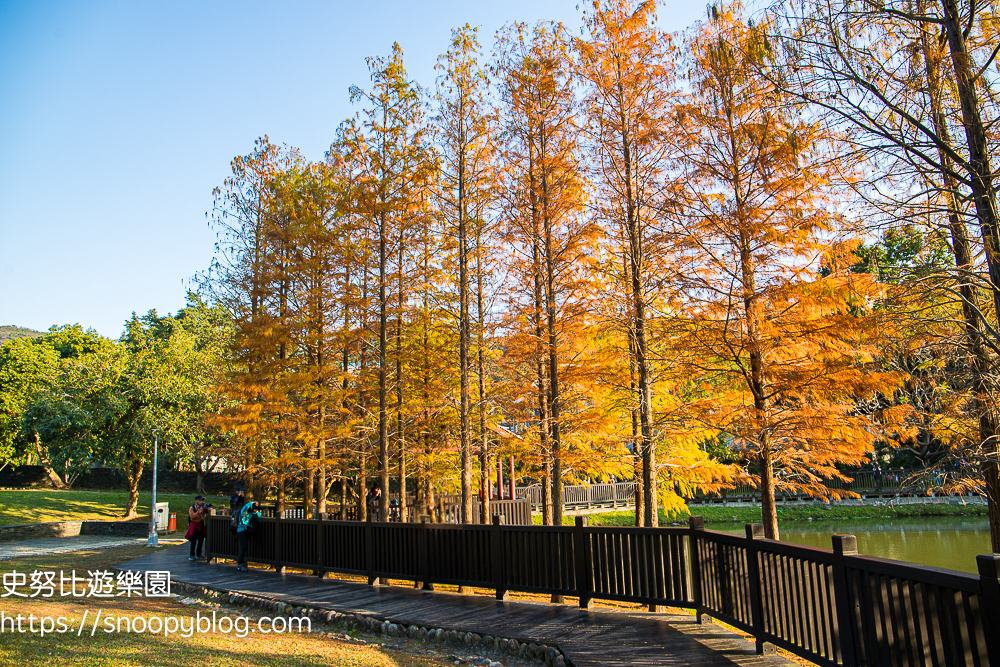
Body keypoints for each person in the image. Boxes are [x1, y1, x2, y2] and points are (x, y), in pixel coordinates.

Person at [235, 499, 261, 572]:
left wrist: (256, 511)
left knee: (245, 547)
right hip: (241, 530)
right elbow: (246, 506)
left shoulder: (251, 513)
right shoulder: (244, 511)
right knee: (244, 547)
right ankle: (240, 564)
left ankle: (241, 563)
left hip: (247, 531)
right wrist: (252, 502)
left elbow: (259, 516)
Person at [185, 495, 209, 561]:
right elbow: (192, 516)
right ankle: (192, 555)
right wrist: (199, 512)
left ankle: (199, 554)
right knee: (193, 541)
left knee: (201, 540)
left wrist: (206, 508)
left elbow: (208, 511)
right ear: (196, 501)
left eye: (202, 500)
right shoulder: (192, 508)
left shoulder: (202, 507)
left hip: (201, 525)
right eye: (200, 500)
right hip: (194, 526)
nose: (201, 502)